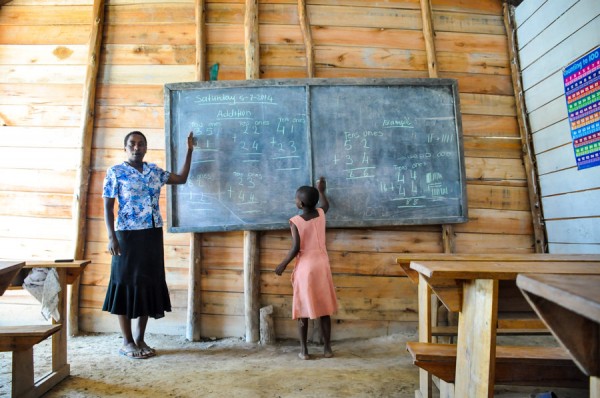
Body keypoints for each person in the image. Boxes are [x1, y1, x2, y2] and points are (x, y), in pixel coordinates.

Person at [102, 130, 194, 359]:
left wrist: (190, 151)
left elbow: (181, 179)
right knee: (123, 283)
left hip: (152, 234)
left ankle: (141, 338)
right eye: (132, 144)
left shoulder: (154, 171)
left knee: (147, 283)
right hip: (126, 235)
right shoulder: (115, 172)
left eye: (141, 144)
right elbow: (107, 207)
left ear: (146, 148)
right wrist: (111, 236)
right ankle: (127, 342)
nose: (136, 147)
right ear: (125, 147)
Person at [275, 177, 338, 360]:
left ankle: (304, 351)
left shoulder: (295, 221)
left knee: (302, 308)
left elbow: (295, 248)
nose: (295, 201)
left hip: (306, 267)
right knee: (324, 308)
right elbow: (326, 205)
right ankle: (327, 349)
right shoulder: (321, 213)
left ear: (300, 203)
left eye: (296, 198)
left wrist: (282, 264)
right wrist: (323, 191)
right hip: (322, 265)